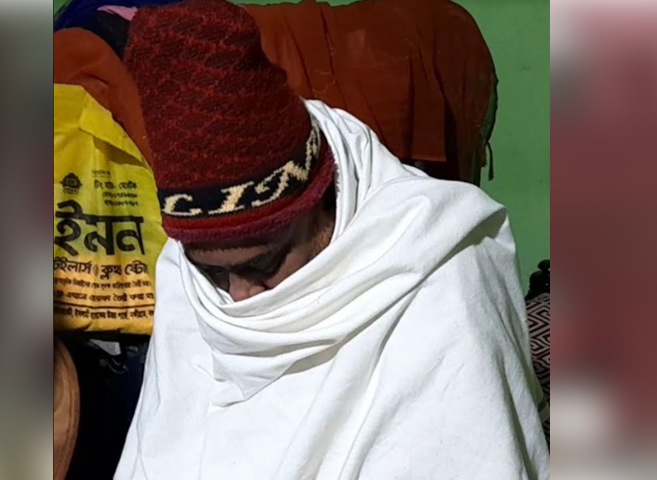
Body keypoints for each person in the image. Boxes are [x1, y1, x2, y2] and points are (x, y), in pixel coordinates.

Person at [115, 1, 550, 479]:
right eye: (214, 273)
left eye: (263, 265)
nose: (238, 298)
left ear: (325, 205)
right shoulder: (185, 273)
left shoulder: (440, 281)